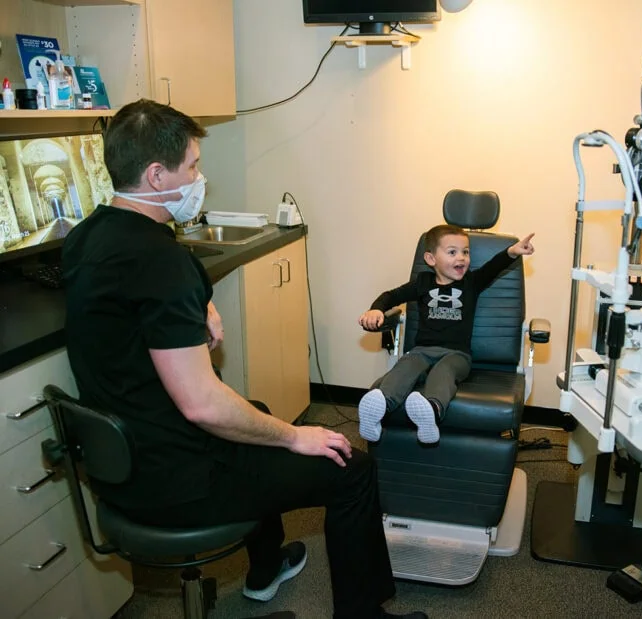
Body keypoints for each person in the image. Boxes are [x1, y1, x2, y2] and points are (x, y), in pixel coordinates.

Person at [62, 99, 425, 619]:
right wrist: (298, 435)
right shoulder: (159, 262)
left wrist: (201, 303)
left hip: (122, 461)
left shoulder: (87, 237)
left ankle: (265, 567)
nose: (199, 176)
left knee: (254, 407)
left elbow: (158, 290)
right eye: (192, 165)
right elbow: (204, 407)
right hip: (176, 480)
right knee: (348, 464)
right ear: (157, 174)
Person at [357, 224, 535, 443]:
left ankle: (430, 411)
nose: (461, 258)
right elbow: (390, 296)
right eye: (452, 252)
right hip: (421, 350)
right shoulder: (422, 283)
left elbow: (493, 267)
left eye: (465, 252)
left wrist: (513, 251)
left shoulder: (472, 282)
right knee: (405, 366)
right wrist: (376, 308)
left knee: (444, 372)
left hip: (457, 354)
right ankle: (379, 407)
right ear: (431, 259)